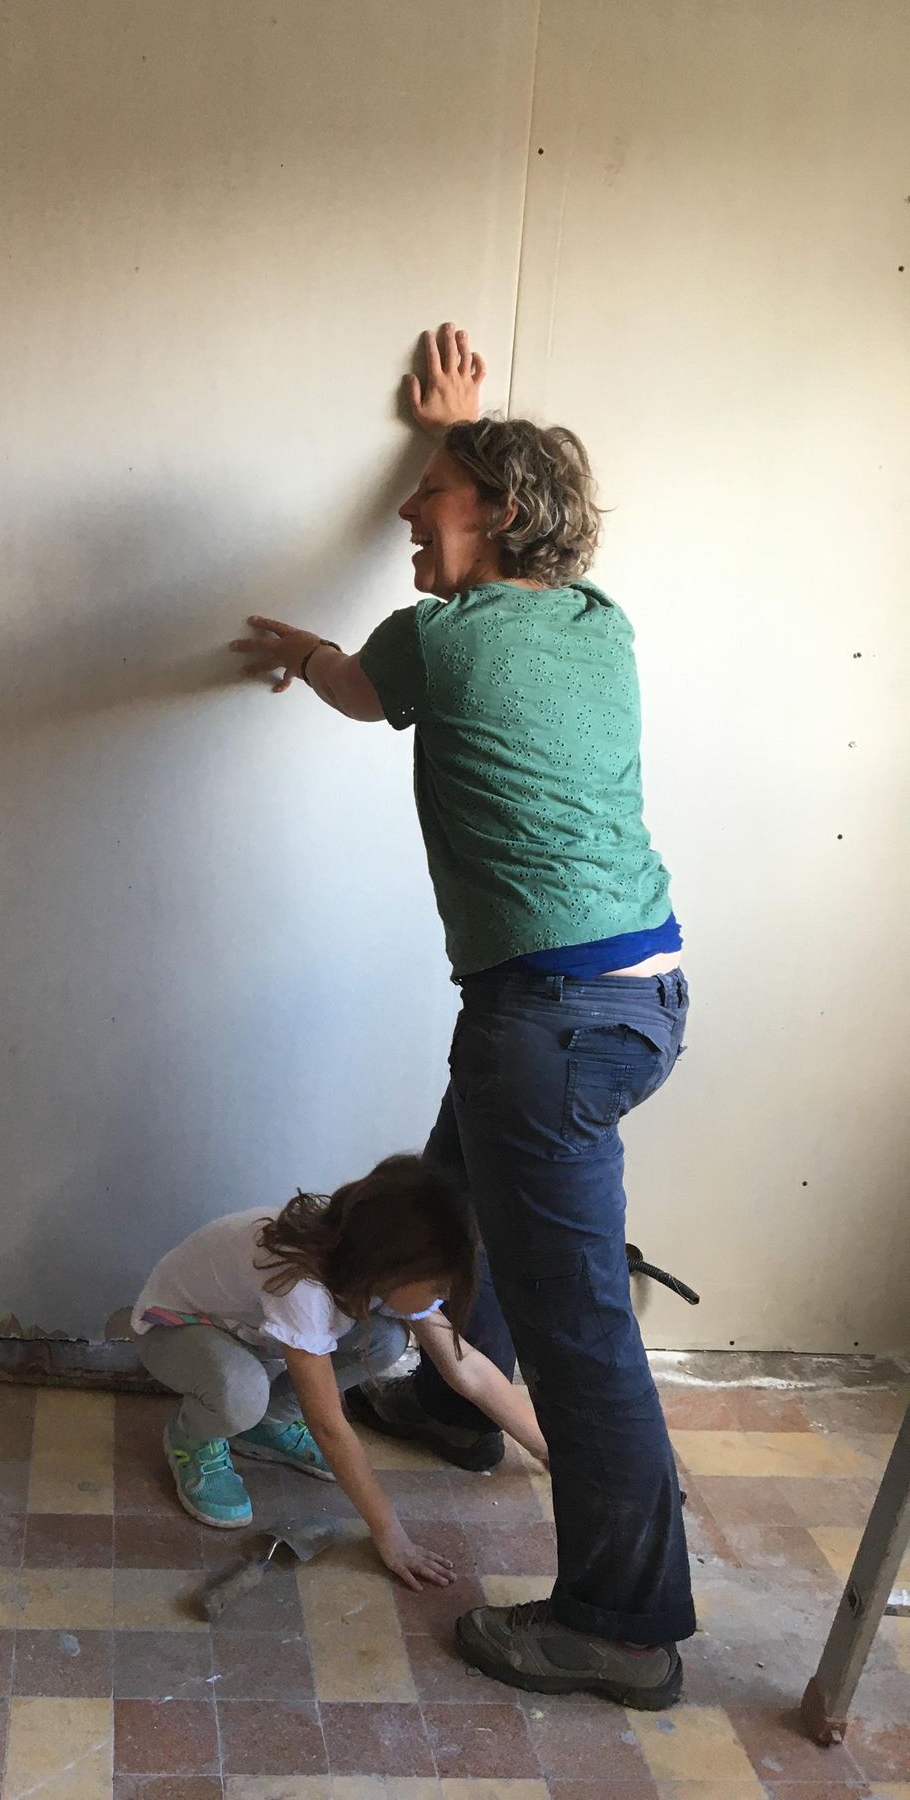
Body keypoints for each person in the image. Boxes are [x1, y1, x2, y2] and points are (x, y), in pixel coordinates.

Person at [231, 323, 691, 1710]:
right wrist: (463, 436)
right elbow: (518, 526)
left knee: (580, 1336)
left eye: (426, 496)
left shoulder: (433, 639)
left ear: (490, 510)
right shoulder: (599, 623)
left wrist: (313, 645)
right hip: (638, 998)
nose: (402, 516)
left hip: (544, 1022)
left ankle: (624, 1625)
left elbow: (356, 689)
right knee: (446, 1190)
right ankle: (445, 1401)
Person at [132, 1154, 547, 1588]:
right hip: (173, 1329)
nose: (444, 1297)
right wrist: (390, 1534)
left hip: (245, 1338)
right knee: (242, 1392)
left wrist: (545, 1446)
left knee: (385, 1339)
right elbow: (329, 1426)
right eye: (439, 1286)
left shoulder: (365, 1257)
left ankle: (266, 1426)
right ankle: (192, 1435)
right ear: (395, 1267)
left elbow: (465, 1366)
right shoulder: (302, 1286)